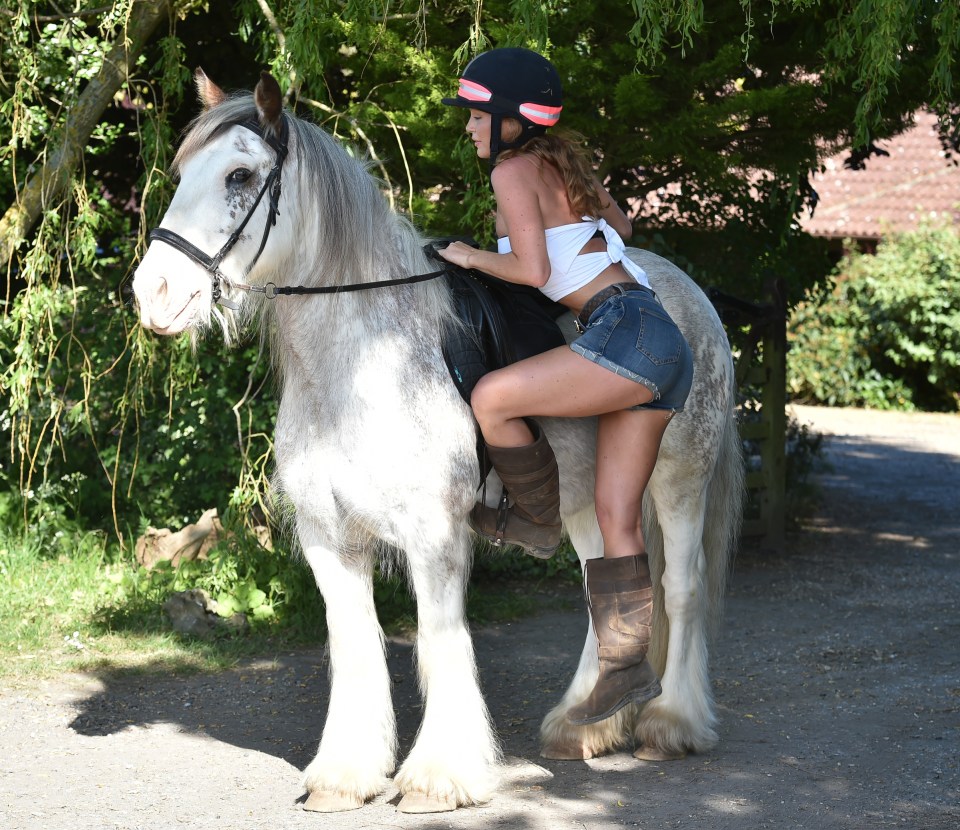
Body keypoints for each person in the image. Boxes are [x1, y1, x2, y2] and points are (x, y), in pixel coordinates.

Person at [438, 47, 694, 725]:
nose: (468, 126)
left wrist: (464, 254)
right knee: (615, 517)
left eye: (475, 115)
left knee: (492, 396)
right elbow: (626, 229)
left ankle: (536, 518)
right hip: (661, 340)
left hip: (621, 332)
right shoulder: (561, 164)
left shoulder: (514, 170)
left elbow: (527, 266)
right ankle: (626, 667)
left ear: (509, 120)